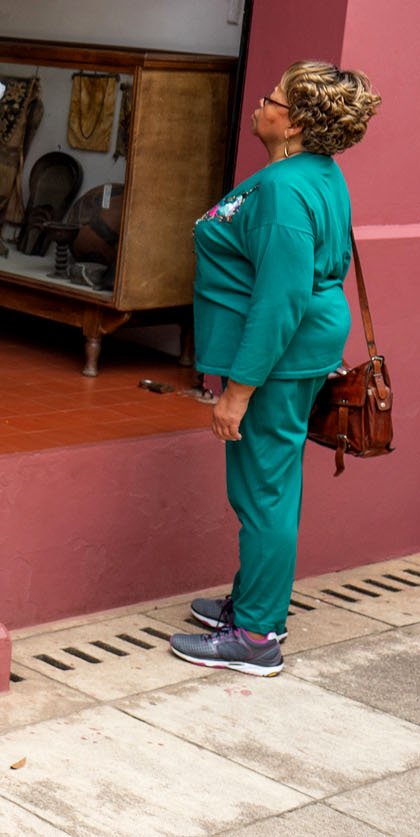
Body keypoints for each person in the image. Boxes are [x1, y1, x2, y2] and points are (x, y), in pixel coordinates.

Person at [170, 61, 380, 677]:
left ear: (296, 123)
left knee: (261, 491)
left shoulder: (287, 190)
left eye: (272, 99)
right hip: (295, 351)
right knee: (273, 486)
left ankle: (257, 636)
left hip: (278, 359)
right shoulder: (313, 173)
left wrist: (237, 392)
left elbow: (280, 298)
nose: (259, 104)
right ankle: (258, 606)